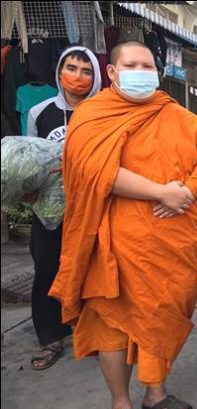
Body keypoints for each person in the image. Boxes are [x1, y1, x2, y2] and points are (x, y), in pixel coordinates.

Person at [49, 41, 197, 409]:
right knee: (112, 323)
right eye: (131, 64)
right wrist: (159, 193)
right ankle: (119, 405)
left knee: (161, 316)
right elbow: (95, 172)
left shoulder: (170, 111)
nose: (141, 71)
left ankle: (155, 395)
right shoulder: (92, 116)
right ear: (112, 73)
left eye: (148, 65)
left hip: (169, 244)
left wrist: (187, 189)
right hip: (111, 241)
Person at [25, 46, 102, 370]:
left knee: (94, 271)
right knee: (47, 271)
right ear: (59, 72)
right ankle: (50, 337)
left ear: (96, 76)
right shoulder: (40, 113)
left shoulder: (102, 112)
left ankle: (91, 331)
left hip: (93, 208)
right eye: (71, 68)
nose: (78, 76)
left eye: (86, 71)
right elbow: (27, 156)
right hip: (50, 211)